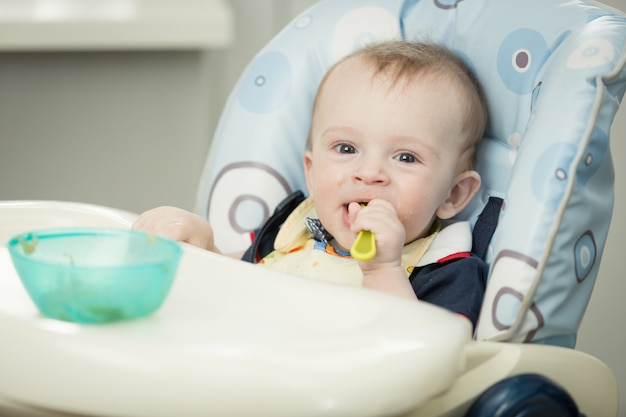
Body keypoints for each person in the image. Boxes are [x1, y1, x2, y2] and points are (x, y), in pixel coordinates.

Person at [133, 40, 489, 328]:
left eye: (406, 157)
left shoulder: (447, 269)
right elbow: (240, 282)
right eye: (346, 148)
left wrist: (383, 270)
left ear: (453, 194)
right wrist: (202, 248)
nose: (368, 173)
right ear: (312, 172)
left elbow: (428, 361)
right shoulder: (293, 231)